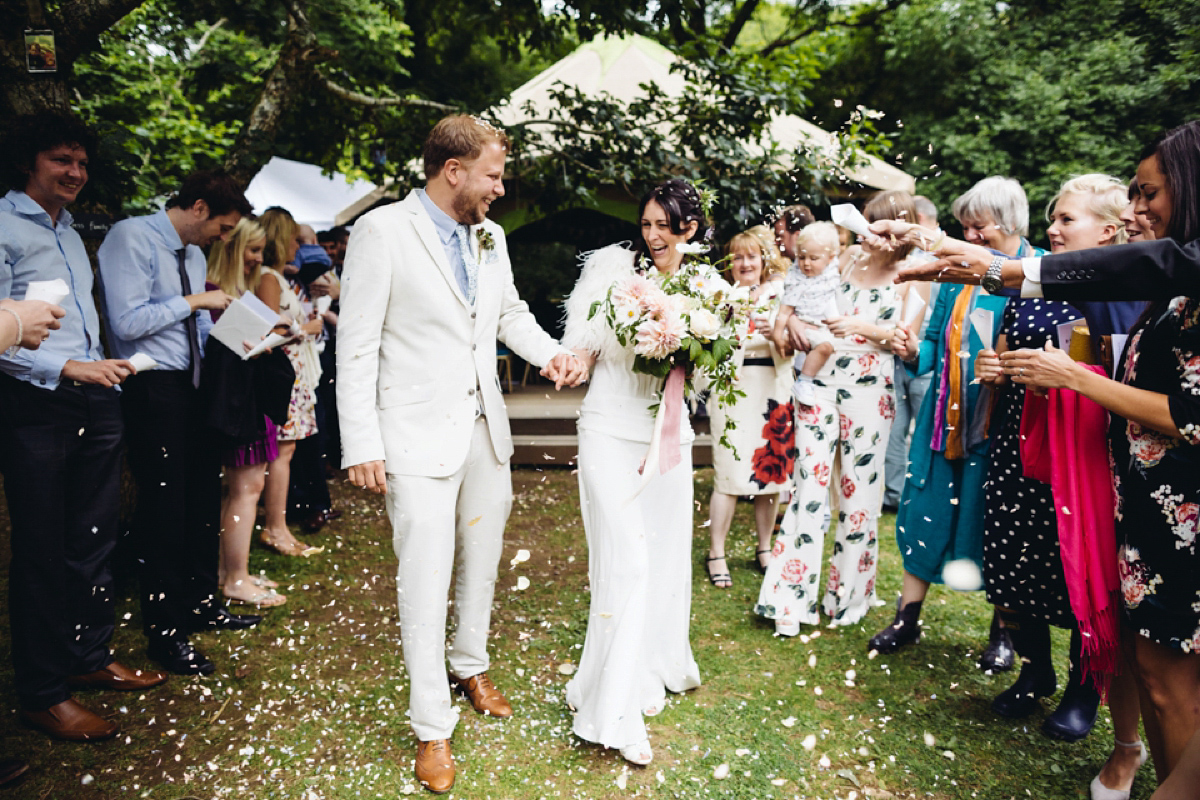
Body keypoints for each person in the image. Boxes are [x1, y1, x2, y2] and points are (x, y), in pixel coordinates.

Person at [336, 114, 584, 793]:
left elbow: (508, 315)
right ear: (454, 172)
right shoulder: (382, 232)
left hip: (485, 430)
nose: (500, 190)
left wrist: (553, 353)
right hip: (412, 434)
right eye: (494, 176)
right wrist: (362, 441)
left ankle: (469, 661)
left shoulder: (490, 237)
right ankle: (431, 726)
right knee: (423, 576)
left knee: (481, 557)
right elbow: (354, 343)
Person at [1000, 120, 1200, 797]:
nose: (1136, 210)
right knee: (1156, 678)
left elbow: (1189, 412)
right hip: (1144, 498)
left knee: (1172, 685)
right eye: (1132, 196)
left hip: (1186, 515)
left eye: (1149, 194)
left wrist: (1078, 378)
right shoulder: (1174, 283)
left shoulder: (1179, 279)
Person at [0, 112, 167, 742]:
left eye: (81, 162)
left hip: (98, 398)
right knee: (43, 550)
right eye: (60, 159)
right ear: (27, 160)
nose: (75, 173)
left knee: (92, 541)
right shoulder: (1, 223)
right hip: (36, 405)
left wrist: (99, 366)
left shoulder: (72, 232)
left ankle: (88, 658)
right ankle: (42, 694)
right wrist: (67, 366)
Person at [973, 174, 1130, 744]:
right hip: (1019, 442)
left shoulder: (1124, 290)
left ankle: (1084, 690)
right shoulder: (1027, 286)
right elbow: (1007, 352)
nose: (1052, 229)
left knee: (1079, 567)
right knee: (1017, 559)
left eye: (1067, 219)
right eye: (1053, 219)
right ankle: (1035, 672)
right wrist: (995, 367)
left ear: (1110, 230)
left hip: (1086, 454)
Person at [561, 178, 705, 766]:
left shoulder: (705, 289)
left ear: (689, 229)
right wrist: (571, 360)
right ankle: (613, 713)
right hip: (606, 428)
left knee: (664, 555)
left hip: (665, 434)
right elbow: (587, 341)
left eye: (664, 225)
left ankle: (650, 663)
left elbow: (707, 371)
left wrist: (691, 346)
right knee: (628, 560)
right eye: (645, 224)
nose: (652, 236)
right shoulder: (613, 273)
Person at [97, 169, 259, 677]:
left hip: (195, 383)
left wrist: (238, 326)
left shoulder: (192, 254)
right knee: (164, 508)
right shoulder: (131, 237)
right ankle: (164, 632)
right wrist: (196, 301)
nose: (224, 238)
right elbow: (125, 321)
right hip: (150, 386)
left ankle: (199, 602)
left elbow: (193, 323)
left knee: (198, 501)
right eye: (224, 227)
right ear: (198, 207)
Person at [866, 177, 1032, 671]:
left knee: (992, 527)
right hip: (944, 420)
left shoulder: (1033, 269)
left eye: (976, 226)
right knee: (924, 512)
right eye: (963, 226)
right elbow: (934, 342)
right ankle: (907, 614)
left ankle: (1003, 632)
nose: (968, 235)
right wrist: (914, 349)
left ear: (1006, 224)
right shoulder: (956, 274)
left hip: (1000, 428)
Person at [755, 190, 914, 635]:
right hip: (820, 381)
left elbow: (910, 343)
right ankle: (789, 596)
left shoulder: (914, 274)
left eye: (877, 226)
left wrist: (864, 328)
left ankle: (848, 596)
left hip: (870, 388)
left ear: (896, 229)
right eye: (865, 224)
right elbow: (805, 302)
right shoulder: (843, 261)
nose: (868, 233)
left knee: (859, 491)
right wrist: (796, 326)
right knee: (808, 481)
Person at [704, 226, 793, 588]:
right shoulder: (718, 298)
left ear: (763, 259)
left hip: (773, 389)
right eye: (738, 257)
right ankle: (716, 552)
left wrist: (775, 333)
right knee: (728, 474)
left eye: (752, 256)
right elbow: (710, 349)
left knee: (770, 473)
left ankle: (763, 547)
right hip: (733, 391)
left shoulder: (782, 294)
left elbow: (793, 345)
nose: (745, 263)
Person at [206, 217, 288, 608]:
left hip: (250, 400)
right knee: (245, 490)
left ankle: (230, 570)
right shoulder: (214, 292)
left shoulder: (237, 291)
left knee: (244, 490)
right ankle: (235, 578)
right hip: (239, 405)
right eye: (252, 250)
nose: (258, 259)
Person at [256, 207, 324, 558]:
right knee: (281, 453)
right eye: (294, 239)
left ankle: (278, 526)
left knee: (288, 450)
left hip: (297, 371)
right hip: (283, 372)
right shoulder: (267, 277)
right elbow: (268, 330)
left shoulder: (280, 276)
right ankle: (274, 527)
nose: (298, 246)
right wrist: (304, 330)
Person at [773, 222, 841, 408]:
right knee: (825, 346)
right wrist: (777, 336)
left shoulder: (833, 273)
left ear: (831, 257)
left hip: (824, 328)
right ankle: (805, 381)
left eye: (814, 258)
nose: (806, 263)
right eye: (802, 257)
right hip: (807, 325)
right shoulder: (797, 279)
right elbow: (784, 310)